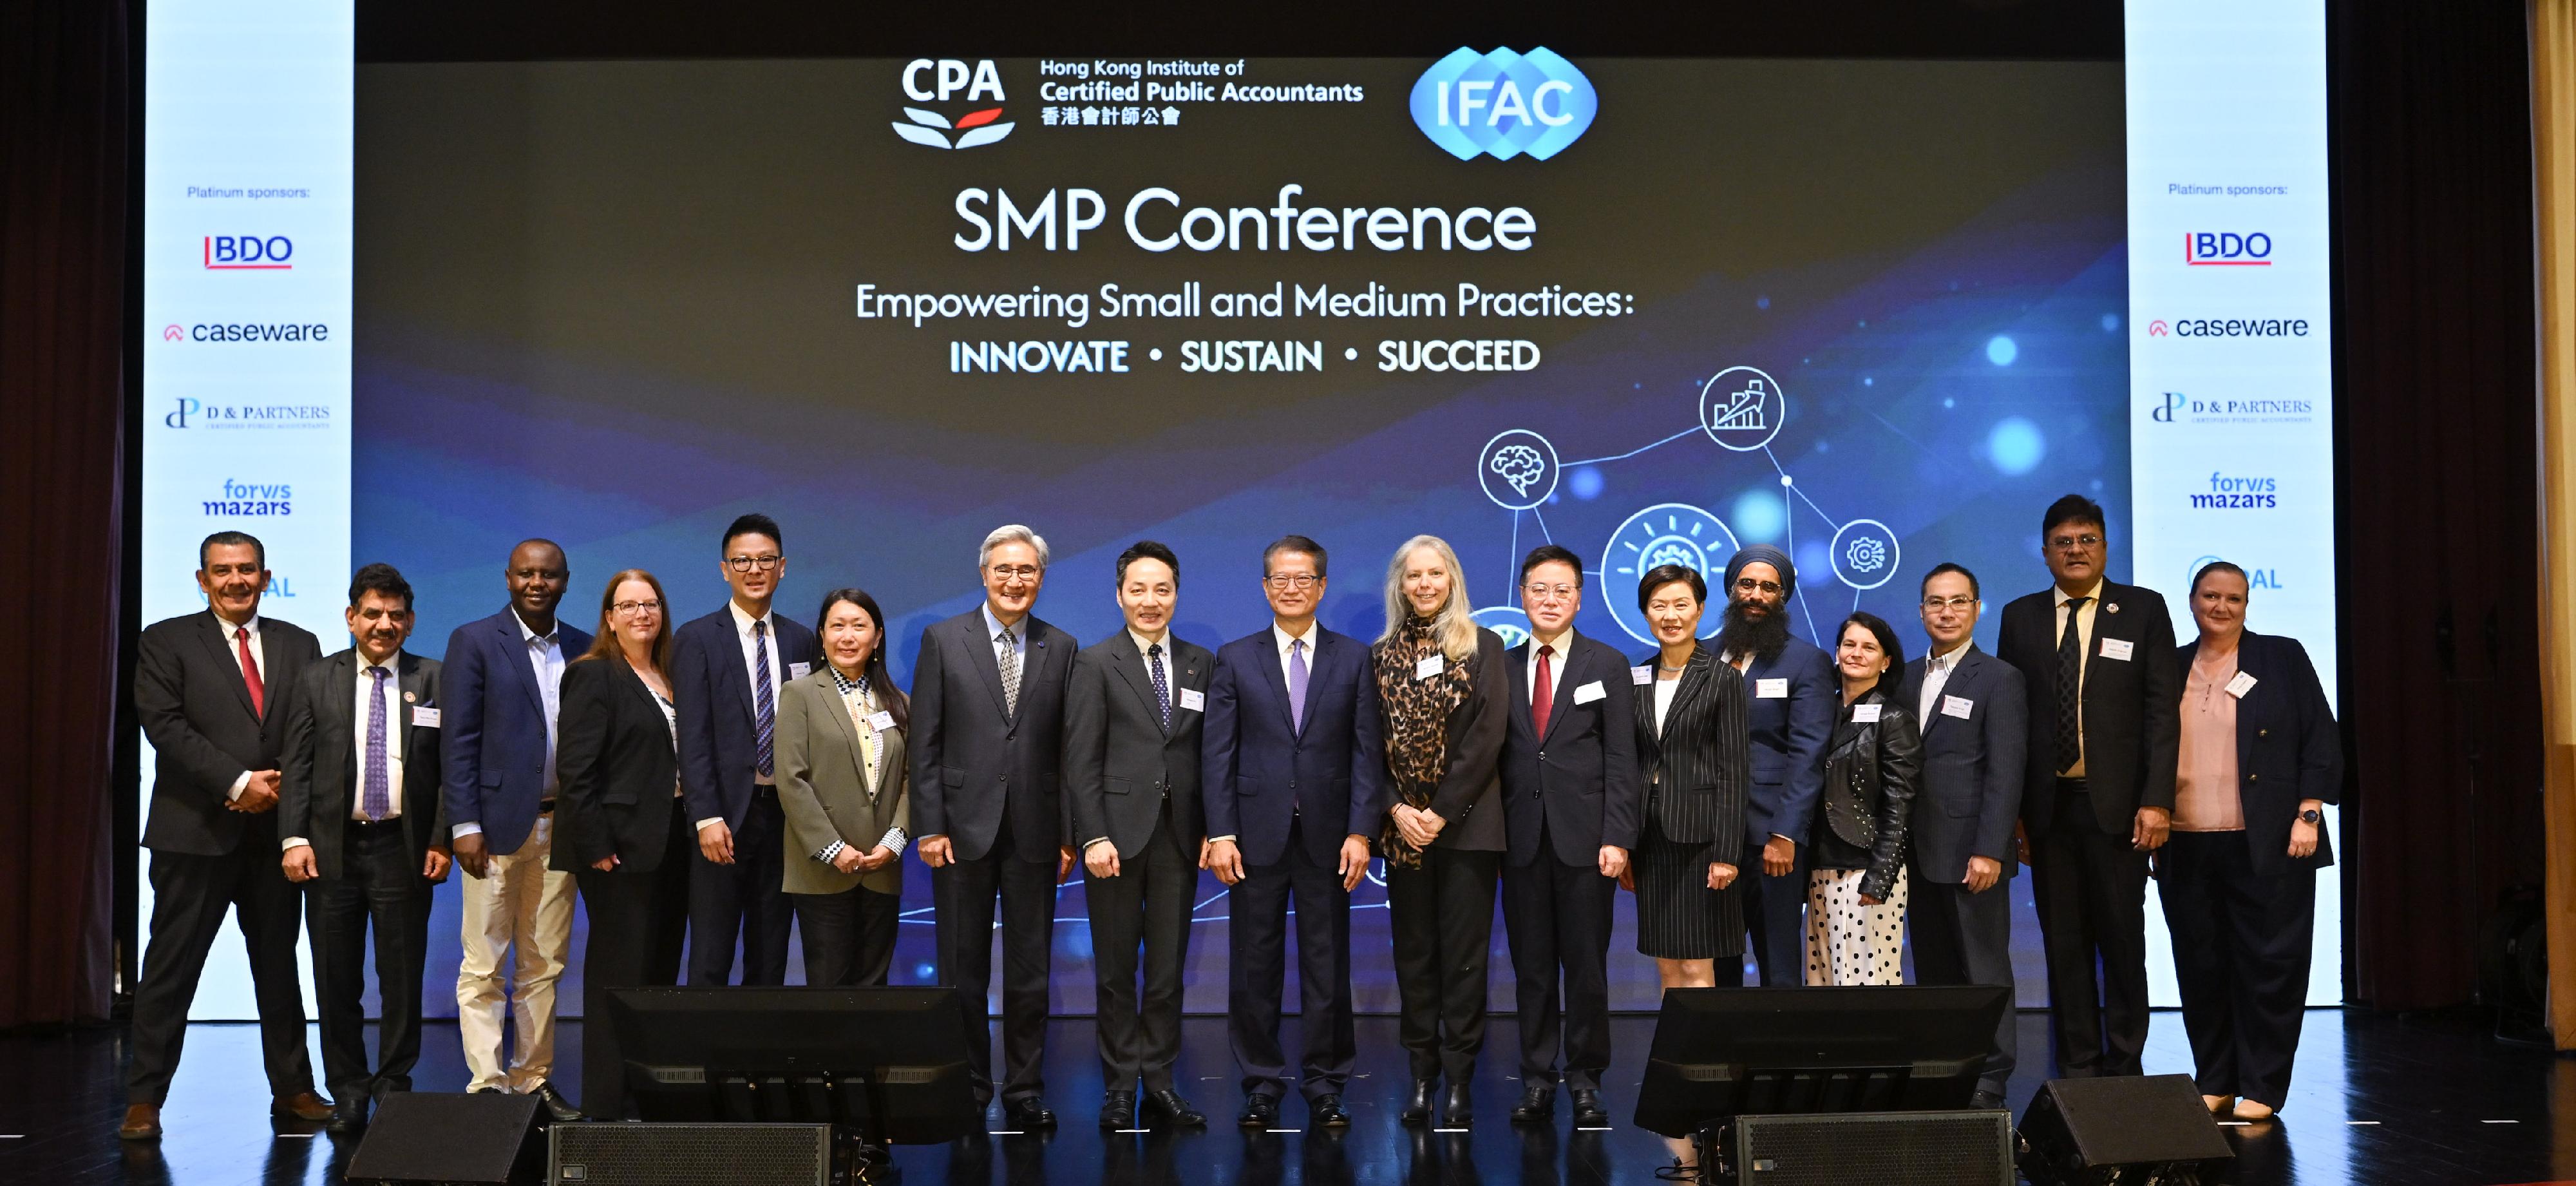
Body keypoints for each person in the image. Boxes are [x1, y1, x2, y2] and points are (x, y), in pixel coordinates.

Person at [124, 531, 330, 1140]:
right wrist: (238, 781)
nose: (235, 580)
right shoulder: (165, 639)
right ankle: (144, 1100)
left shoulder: (300, 642)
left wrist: (284, 796)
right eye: (222, 571)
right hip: (193, 832)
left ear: (266, 577)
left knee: (278, 966)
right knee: (170, 968)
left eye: (247, 570)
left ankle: (293, 1088)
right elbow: (164, 725)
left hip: (275, 836)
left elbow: (306, 730)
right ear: (202, 578)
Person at [1203, 534, 1385, 1133]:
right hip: (1254, 836)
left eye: (1303, 578)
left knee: (1327, 966)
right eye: (1280, 578)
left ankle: (1327, 1082)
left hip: (1331, 838)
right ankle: (1260, 1082)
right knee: (1253, 967)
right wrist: (1222, 831)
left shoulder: (1354, 658)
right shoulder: (1235, 656)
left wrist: (1362, 831)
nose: (1291, 588)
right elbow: (1218, 753)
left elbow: (1367, 755)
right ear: (1264, 587)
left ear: (1322, 586)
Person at [1998, 495, 2178, 1078]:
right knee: (2065, 945)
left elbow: (2161, 714)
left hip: (2122, 811)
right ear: (2046, 551)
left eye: (2087, 539)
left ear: (2104, 545)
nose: (2076, 550)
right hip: (2048, 811)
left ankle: (2126, 1062)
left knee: (2123, 941)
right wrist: (2015, 816)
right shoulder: (2019, 616)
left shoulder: (2144, 610)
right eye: (2064, 542)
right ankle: (2077, 1064)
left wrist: (2157, 801)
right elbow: (2011, 722)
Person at [910, 524, 1079, 1129]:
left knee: (1031, 972)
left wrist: (1067, 834)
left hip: (1035, 833)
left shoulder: (1060, 647)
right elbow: (924, 742)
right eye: (1004, 570)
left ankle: (1024, 1089)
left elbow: (1067, 750)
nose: (1015, 581)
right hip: (959, 830)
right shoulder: (942, 638)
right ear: (983, 574)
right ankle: (969, 1085)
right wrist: (929, 825)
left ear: (1040, 578)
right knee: (963, 971)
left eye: (1027, 571)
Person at [279, 563, 452, 1133]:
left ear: (411, 621)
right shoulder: (316, 678)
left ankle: (395, 1085)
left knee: (402, 976)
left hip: (402, 847)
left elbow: (452, 769)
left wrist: (440, 838)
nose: (384, 625)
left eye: (396, 615)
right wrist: (295, 838)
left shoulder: (434, 678)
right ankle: (349, 1089)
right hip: (332, 849)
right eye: (372, 613)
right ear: (351, 617)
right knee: (335, 977)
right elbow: (297, 766)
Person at [2164, 561, 2340, 1121]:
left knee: (2270, 965)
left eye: (2233, 598)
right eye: (2210, 596)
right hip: (2187, 840)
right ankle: (2214, 1077)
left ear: (2247, 604)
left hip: (2269, 841)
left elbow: (2320, 737)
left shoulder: (2281, 656)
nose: (2221, 607)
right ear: (2192, 600)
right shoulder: (2170, 665)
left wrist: (2308, 813)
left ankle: (2263, 1083)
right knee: (2201, 966)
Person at [1066, 541, 1213, 1131]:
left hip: (1179, 837)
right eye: (1138, 589)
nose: (1150, 601)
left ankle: (1160, 1082)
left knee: (1168, 971)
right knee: (1115, 969)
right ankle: (1119, 1085)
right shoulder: (1095, 661)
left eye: (1162, 589)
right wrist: (1092, 835)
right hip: (1115, 842)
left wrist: (1212, 830)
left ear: (1176, 593)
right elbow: (1081, 760)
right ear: (1120, 594)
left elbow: (1208, 755)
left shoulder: (1203, 662)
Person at [441, 539, 591, 1119]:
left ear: (565, 580)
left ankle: (531, 1081)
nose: (537, 582)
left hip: (562, 827)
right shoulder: (475, 640)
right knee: (483, 965)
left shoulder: (582, 647)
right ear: (507, 578)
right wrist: (465, 822)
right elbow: (458, 741)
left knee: (543, 965)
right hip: (494, 828)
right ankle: (487, 1085)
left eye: (548, 574)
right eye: (526, 573)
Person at [1496, 545, 1638, 1130]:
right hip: (1520, 840)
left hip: (1587, 843)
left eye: (1562, 590)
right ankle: (1536, 1078)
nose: (1550, 599)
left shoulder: (1607, 663)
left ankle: (1585, 1078)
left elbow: (1622, 757)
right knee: (1531, 968)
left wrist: (1619, 834)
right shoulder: (1499, 665)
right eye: (1539, 589)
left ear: (1579, 597)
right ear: (1523, 595)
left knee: (1585, 968)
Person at [1371, 534, 1509, 1130]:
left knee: (1464, 963)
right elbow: (1365, 746)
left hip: (1468, 831)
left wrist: (1440, 810)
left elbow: (1487, 737)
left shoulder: (1484, 646)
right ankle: (1422, 1077)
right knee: (1416, 959)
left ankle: (1460, 1081)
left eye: (1435, 573)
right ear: (1399, 585)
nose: (1425, 584)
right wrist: (1397, 809)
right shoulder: (1378, 656)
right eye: (1413, 575)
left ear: (1452, 579)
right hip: (1404, 835)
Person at [1625, 563, 1750, 1176]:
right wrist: (1623, 841)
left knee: (1700, 968)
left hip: (1704, 844)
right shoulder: (1635, 673)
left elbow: (1734, 770)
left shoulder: (1722, 677)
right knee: (1669, 968)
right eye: (1658, 604)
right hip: (1653, 844)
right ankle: (1681, 1085)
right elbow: (1630, 764)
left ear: (1700, 610)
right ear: (1646, 611)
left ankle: (1708, 1096)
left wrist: (1729, 850)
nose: (1670, 614)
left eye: (1681, 604)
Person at [553, 569, 690, 1120]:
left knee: (657, 973)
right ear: (609, 616)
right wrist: (594, 844)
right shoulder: (593, 675)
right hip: (615, 850)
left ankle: (646, 1092)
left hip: (671, 842)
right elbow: (576, 769)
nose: (642, 614)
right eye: (628, 605)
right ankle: (605, 1105)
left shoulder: (670, 672)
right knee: (617, 976)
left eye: (651, 604)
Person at [1895, 562, 2027, 1109]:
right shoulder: (1902, 676)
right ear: (1920, 610)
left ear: (1977, 608)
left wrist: (1990, 849)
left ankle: (1991, 1075)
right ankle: (1945, 1066)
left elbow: (2006, 772)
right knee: (1935, 972)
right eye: (1935, 601)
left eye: (1958, 601)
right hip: (1916, 851)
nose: (1946, 611)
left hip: (1974, 852)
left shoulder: (1999, 676)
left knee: (1984, 968)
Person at [674, 513, 817, 987]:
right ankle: (706, 1060)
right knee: (712, 953)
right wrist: (706, 816)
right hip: (723, 819)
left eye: (765, 560)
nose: (754, 569)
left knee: (770, 949)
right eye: (742, 560)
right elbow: (691, 735)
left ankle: (759, 1060)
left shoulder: (802, 639)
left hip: (785, 817)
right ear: (724, 569)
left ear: (783, 567)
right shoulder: (696, 638)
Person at [775, 588, 910, 990]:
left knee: (873, 982)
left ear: (878, 637)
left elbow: (911, 779)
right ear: (822, 635)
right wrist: (834, 849)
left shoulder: (898, 701)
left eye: (859, 626)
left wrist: (895, 841)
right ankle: (828, 1057)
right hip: (822, 868)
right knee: (829, 983)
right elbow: (791, 779)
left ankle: (866, 1055)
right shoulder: (799, 694)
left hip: (882, 866)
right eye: (837, 626)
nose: (847, 636)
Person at [1714, 544, 1835, 986]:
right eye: (1747, 584)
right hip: (1710, 841)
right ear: (1731, 590)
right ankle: (1723, 1053)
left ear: (1782, 597)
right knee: (1716, 962)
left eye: (1770, 587)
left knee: (1778, 963)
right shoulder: (1699, 656)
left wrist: (1785, 833)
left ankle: (1779, 1056)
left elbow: (1809, 754)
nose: (1756, 594)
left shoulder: (1806, 661)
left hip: (1772, 843)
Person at [1805, 613, 1919, 986]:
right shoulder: (1819, 711)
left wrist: (1879, 878)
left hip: (1865, 869)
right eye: (1849, 645)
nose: (1856, 653)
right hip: (1819, 867)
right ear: (1836, 653)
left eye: (1868, 647)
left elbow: (1900, 803)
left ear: (1886, 662)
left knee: (1867, 984)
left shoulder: (1894, 718)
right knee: (1822, 981)